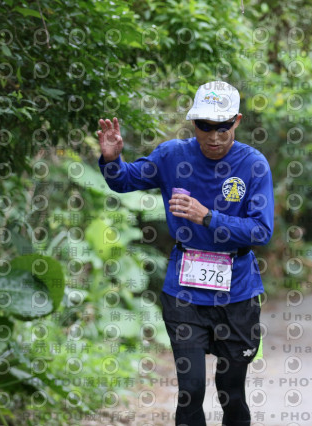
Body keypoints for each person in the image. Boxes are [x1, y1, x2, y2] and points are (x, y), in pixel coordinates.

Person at [97, 80, 274, 426]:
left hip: (237, 292)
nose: (214, 136)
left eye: (223, 126)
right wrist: (111, 159)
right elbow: (124, 180)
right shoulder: (172, 156)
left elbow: (261, 231)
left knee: (231, 391)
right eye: (205, 126)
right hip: (184, 293)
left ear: (237, 121)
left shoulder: (254, 164)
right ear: (193, 123)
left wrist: (208, 217)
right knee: (190, 389)